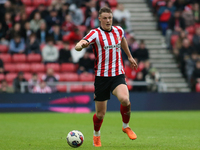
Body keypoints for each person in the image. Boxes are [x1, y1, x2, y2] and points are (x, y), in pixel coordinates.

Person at [75, 7, 138, 147]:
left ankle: (125, 126)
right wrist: (81, 46)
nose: (108, 20)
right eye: (105, 18)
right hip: (101, 78)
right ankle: (96, 135)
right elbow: (79, 44)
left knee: (125, 99)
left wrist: (129, 56)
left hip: (117, 74)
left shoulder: (118, 30)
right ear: (100, 19)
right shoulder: (95, 33)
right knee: (100, 114)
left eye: (110, 18)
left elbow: (122, 40)